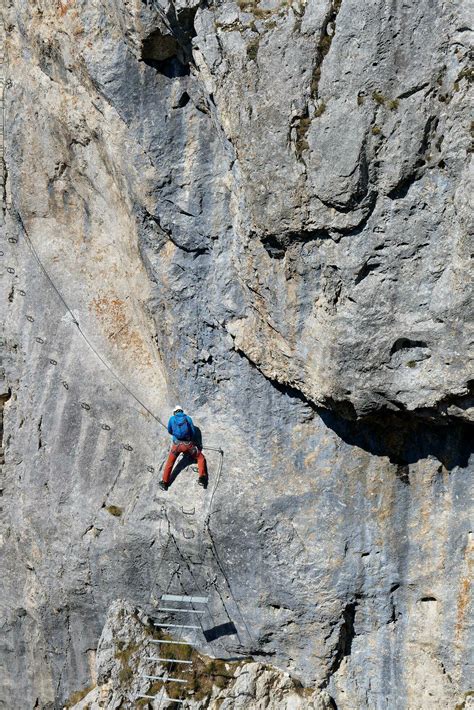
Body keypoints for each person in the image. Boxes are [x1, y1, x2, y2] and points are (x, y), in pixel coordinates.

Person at [159, 406, 208, 491]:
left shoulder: (172, 419)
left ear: (175, 412)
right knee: (200, 458)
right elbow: (193, 432)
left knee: (170, 463)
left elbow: (170, 431)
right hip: (188, 445)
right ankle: (202, 478)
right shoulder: (188, 418)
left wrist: (175, 435)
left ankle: (164, 482)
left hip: (176, 445)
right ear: (182, 411)